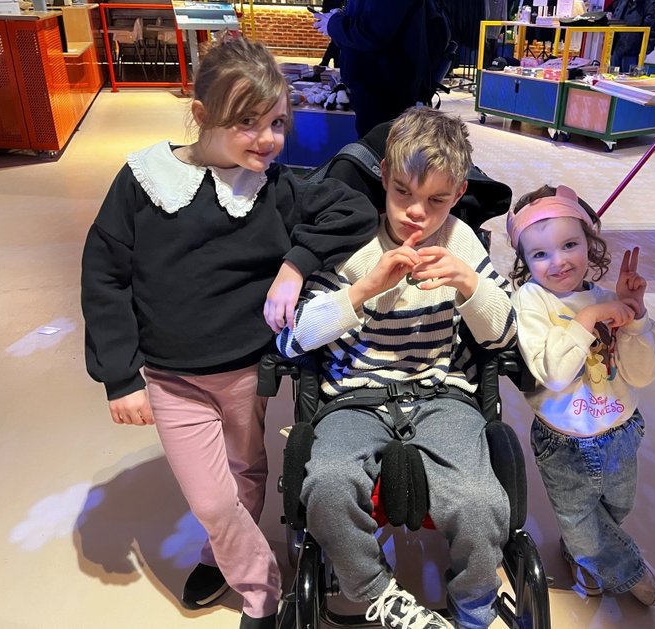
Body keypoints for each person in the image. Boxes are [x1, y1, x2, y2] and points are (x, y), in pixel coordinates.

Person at [80, 37, 378, 629]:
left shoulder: (275, 186)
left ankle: (222, 557)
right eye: (247, 123)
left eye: (276, 122)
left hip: (247, 372)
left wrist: (294, 265)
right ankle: (263, 594)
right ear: (201, 115)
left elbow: (355, 212)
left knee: (245, 476)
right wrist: (119, 377)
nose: (267, 139)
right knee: (213, 499)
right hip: (170, 378)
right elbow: (104, 276)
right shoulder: (143, 181)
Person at [277, 107, 517, 629]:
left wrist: (471, 287)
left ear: (456, 195)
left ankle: (475, 602)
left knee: (480, 501)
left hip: (441, 395)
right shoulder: (353, 239)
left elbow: (502, 335)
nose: (415, 213)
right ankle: (374, 591)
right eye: (403, 192)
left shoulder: (460, 241)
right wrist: (361, 292)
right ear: (383, 177)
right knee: (328, 485)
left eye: (435, 201)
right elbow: (295, 339)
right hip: (355, 396)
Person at [506, 184, 655, 606]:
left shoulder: (607, 298)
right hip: (565, 441)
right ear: (523, 261)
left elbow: (643, 374)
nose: (558, 261)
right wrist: (590, 318)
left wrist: (635, 316)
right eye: (539, 254)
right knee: (578, 515)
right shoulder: (530, 301)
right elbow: (554, 374)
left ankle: (583, 553)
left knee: (615, 508)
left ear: (589, 244)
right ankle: (625, 570)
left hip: (621, 429)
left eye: (569, 245)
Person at [311, 0, 430, 138]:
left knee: (378, 149)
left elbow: (373, 32)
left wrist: (334, 24)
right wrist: (338, 20)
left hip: (383, 88)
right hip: (375, 85)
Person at [608, 0, 655, 73]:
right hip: (617, 49)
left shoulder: (651, 3)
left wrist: (645, 51)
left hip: (634, 52)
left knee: (629, 80)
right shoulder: (622, 2)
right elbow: (614, 17)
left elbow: (652, 29)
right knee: (612, 79)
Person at [318, 0, 343, 68]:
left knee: (335, 41)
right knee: (335, 41)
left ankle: (326, 62)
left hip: (334, 12)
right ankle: (334, 62)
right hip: (334, 11)